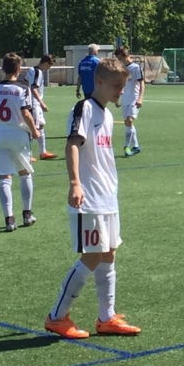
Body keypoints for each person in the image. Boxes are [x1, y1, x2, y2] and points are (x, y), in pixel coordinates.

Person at [44, 57, 142, 339]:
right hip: (90, 197)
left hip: (108, 196)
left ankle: (106, 317)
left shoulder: (108, 114)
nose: (120, 92)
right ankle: (57, 317)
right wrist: (75, 183)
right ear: (99, 81)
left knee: (109, 253)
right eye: (116, 86)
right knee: (91, 256)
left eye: (123, 87)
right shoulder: (84, 108)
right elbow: (72, 145)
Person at [0, 53, 41, 232]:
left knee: (4, 178)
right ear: (18, 69)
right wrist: (34, 130)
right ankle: (27, 214)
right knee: (25, 174)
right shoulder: (22, 89)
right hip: (18, 134)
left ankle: (9, 220)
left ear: (3, 69)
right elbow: (25, 113)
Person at [114, 46, 144, 157]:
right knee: (128, 123)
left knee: (129, 120)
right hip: (125, 98)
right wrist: (117, 97)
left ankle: (126, 146)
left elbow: (142, 83)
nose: (119, 61)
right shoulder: (121, 68)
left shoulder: (135, 67)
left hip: (134, 99)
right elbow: (120, 84)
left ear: (125, 56)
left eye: (120, 58)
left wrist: (140, 98)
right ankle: (136, 146)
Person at [26, 54, 57, 160]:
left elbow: (25, 82)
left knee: (40, 125)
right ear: (45, 63)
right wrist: (41, 102)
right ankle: (28, 154)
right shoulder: (38, 72)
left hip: (32, 102)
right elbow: (33, 88)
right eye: (49, 65)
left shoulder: (31, 69)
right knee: (33, 128)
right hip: (34, 103)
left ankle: (43, 152)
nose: (49, 68)